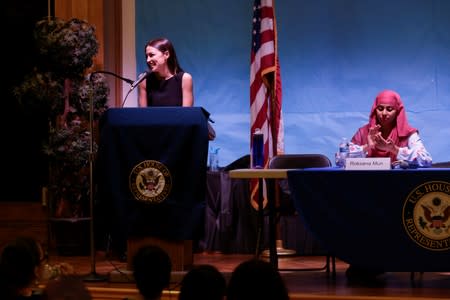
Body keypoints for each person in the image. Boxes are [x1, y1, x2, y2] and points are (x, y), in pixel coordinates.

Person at [348, 89, 432, 168]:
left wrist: (394, 149)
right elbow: (340, 159)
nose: (384, 113)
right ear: (375, 110)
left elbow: (427, 160)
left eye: (389, 109)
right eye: (380, 109)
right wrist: (367, 147)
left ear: (397, 111)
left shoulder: (408, 134)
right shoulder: (364, 132)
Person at [138, 37, 193, 108]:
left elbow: (187, 114)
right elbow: (143, 115)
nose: (148, 60)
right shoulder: (143, 80)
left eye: (151, 55)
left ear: (166, 54)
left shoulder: (185, 79)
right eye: (146, 56)